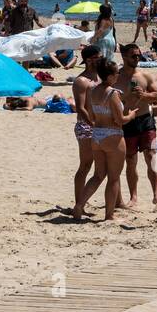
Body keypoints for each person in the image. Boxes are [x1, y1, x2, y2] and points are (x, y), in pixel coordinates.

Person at [72, 57, 127, 221]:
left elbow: (93, 113)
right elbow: (120, 120)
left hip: (97, 134)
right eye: (117, 73)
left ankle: (79, 205)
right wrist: (131, 114)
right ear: (110, 76)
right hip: (113, 135)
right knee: (114, 177)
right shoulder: (112, 93)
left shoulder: (94, 90)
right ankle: (109, 215)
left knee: (97, 175)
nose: (118, 76)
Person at [117, 43, 157, 210]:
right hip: (127, 121)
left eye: (138, 56)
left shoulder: (145, 76)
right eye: (133, 56)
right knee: (130, 160)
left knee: (151, 156)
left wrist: (145, 95)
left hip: (145, 120)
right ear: (124, 57)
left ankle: (156, 193)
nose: (137, 59)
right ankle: (133, 196)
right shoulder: (117, 77)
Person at [70, 45, 102, 216]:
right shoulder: (81, 81)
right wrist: (94, 123)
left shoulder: (99, 77)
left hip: (100, 125)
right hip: (86, 126)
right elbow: (80, 108)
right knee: (85, 165)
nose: (101, 59)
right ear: (89, 60)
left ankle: (82, 202)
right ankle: (78, 203)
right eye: (98, 57)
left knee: (102, 166)